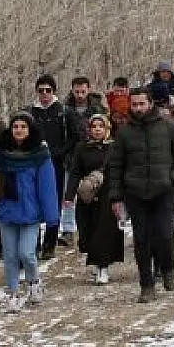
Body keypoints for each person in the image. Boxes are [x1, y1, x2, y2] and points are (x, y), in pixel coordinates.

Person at [108, 88, 174, 303]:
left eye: (141, 104)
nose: (137, 109)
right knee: (142, 240)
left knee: (164, 235)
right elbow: (116, 166)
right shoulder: (125, 133)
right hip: (135, 193)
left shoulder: (168, 126)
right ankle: (146, 285)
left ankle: (167, 267)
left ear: (150, 103)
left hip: (164, 191)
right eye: (133, 105)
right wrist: (116, 196)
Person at [0, 112, 59, 312]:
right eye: (15, 126)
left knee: (27, 253)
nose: (18, 130)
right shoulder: (2, 154)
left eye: (23, 126)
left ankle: (34, 281)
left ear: (30, 130)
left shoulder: (40, 155)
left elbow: (47, 187)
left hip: (30, 212)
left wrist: (51, 216)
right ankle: (12, 293)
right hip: (7, 211)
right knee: (10, 255)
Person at [64, 114, 124, 285]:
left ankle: (102, 267)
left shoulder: (115, 148)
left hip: (109, 195)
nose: (97, 129)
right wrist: (69, 195)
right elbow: (75, 172)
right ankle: (96, 262)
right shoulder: (82, 148)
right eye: (94, 126)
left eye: (101, 126)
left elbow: (121, 170)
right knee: (87, 231)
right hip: (87, 195)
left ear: (107, 129)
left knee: (104, 231)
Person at [27, 74, 81, 259]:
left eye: (48, 90)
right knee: (32, 201)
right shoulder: (30, 113)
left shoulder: (64, 111)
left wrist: (60, 151)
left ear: (54, 91)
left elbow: (75, 136)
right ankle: (33, 243)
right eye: (40, 90)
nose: (44, 94)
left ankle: (49, 244)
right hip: (33, 162)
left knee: (53, 203)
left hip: (57, 164)